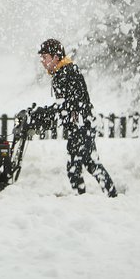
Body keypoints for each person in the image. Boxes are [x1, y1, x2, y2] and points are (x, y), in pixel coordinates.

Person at [30, 38, 118, 197]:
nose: (42, 61)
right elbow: (64, 106)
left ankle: (88, 199)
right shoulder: (62, 72)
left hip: (81, 125)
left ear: (56, 57)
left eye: (45, 57)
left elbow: (68, 105)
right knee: (89, 164)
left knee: (75, 167)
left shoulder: (66, 73)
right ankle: (110, 195)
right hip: (82, 124)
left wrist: (42, 115)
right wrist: (44, 115)